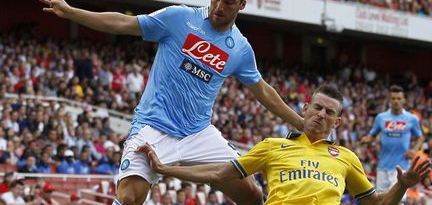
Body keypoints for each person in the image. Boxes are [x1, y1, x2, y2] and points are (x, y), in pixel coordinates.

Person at [38, 0, 304, 205]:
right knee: (129, 197)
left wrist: (302, 124)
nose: (219, 6)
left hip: (198, 134)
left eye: (228, 1)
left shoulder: (240, 49)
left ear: (242, 4)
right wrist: (72, 13)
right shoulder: (179, 18)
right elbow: (122, 22)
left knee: (253, 196)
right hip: (153, 126)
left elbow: (263, 91)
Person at [138, 85, 432, 204]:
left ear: (337, 123)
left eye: (330, 112)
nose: (321, 115)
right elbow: (220, 174)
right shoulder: (272, 146)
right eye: (317, 108)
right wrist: (167, 168)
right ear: (305, 109)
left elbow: (376, 203)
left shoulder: (346, 157)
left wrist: (402, 185)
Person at [361, 85, 424, 194]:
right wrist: (367, 139)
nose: (396, 101)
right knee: (381, 199)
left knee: (398, 199)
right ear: (389, 100)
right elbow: (372, 134)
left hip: (402, 166)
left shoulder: (412, 119)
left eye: (399, 98)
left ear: (403, 100)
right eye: (393, 98)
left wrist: (414, 150)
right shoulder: (381, 117)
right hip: (383, 166)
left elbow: (420, 137)